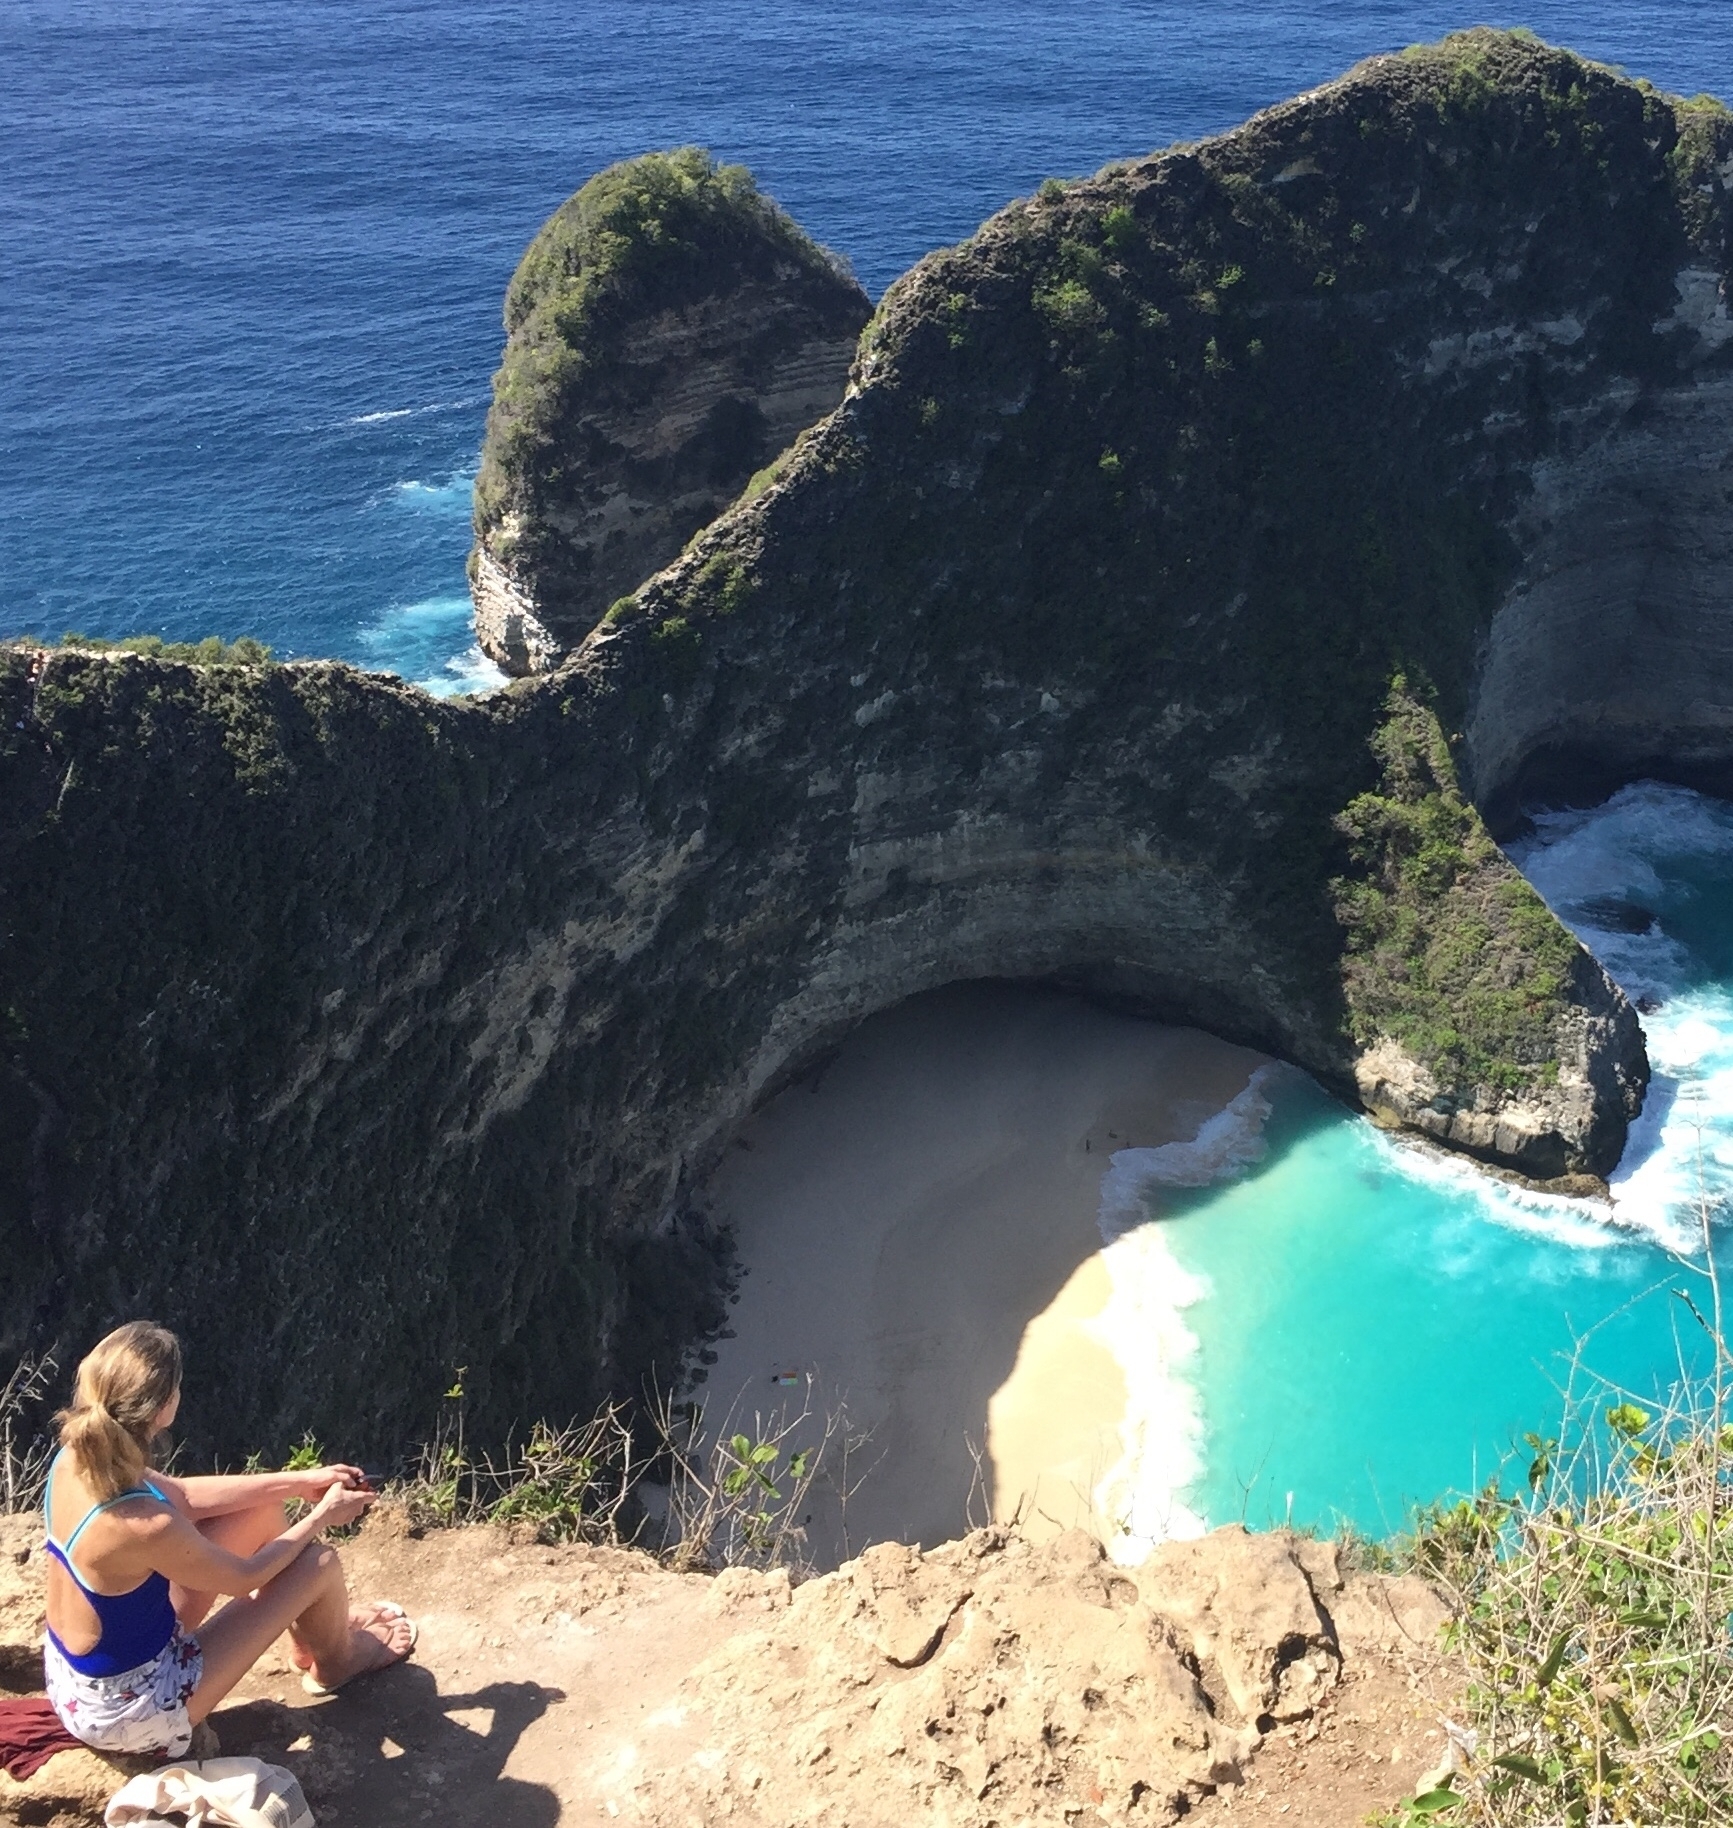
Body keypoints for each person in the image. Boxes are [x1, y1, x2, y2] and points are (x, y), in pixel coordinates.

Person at [41, 1321, 415, 1757]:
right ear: (165, 1407)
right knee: (319, 1564)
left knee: (261, 1514)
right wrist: (322, 1516)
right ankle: (338, 1663)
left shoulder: (76, 1457)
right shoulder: (141, 1523)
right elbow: (243, 1578)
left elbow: (183, 1496)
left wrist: (299, 1481)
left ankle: (310, 1635)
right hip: (131, 1711)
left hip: (80, 1678)